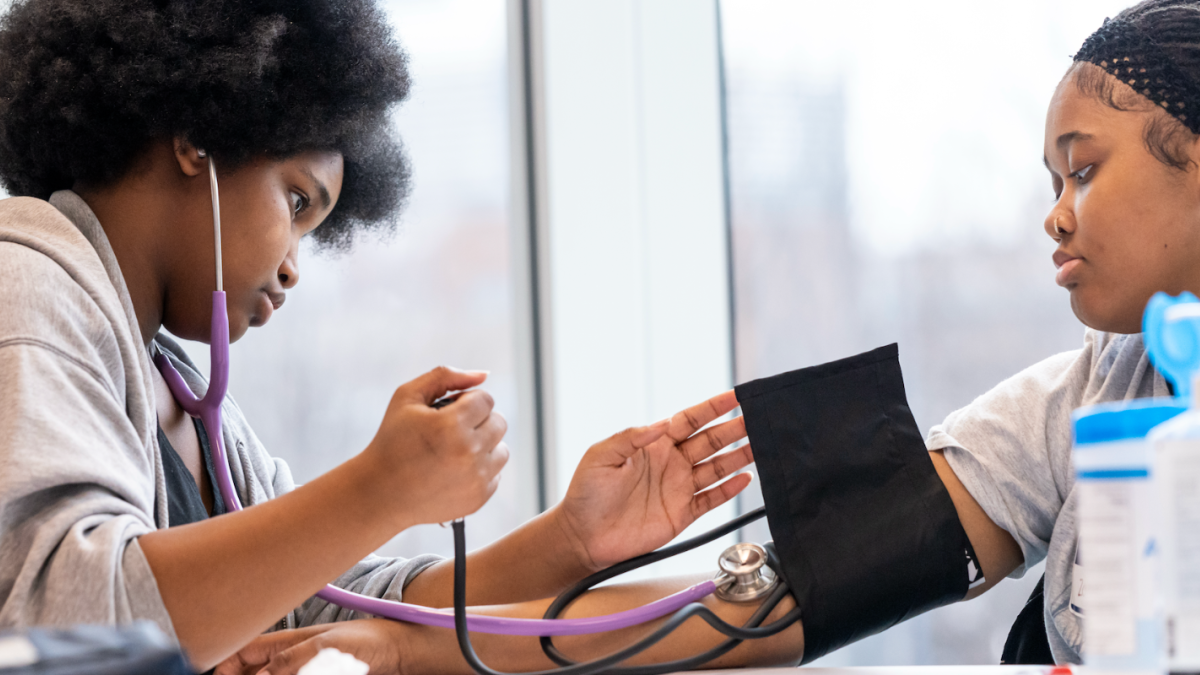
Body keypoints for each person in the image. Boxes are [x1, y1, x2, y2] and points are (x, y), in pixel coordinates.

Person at [214, 0, 1200, 670]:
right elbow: (763, 604)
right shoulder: (1086, 398)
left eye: (1082, 171)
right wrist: (414, 650)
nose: (1055, 218)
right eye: (1049, 182)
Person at [0, 0, 791, 673]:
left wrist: (572, 539)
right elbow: (61, 622)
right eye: (299, 202)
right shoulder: (27, 282)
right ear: (199, 139)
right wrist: (380, 487)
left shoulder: (183, 396)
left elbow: (321, 606)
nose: (292, 268)